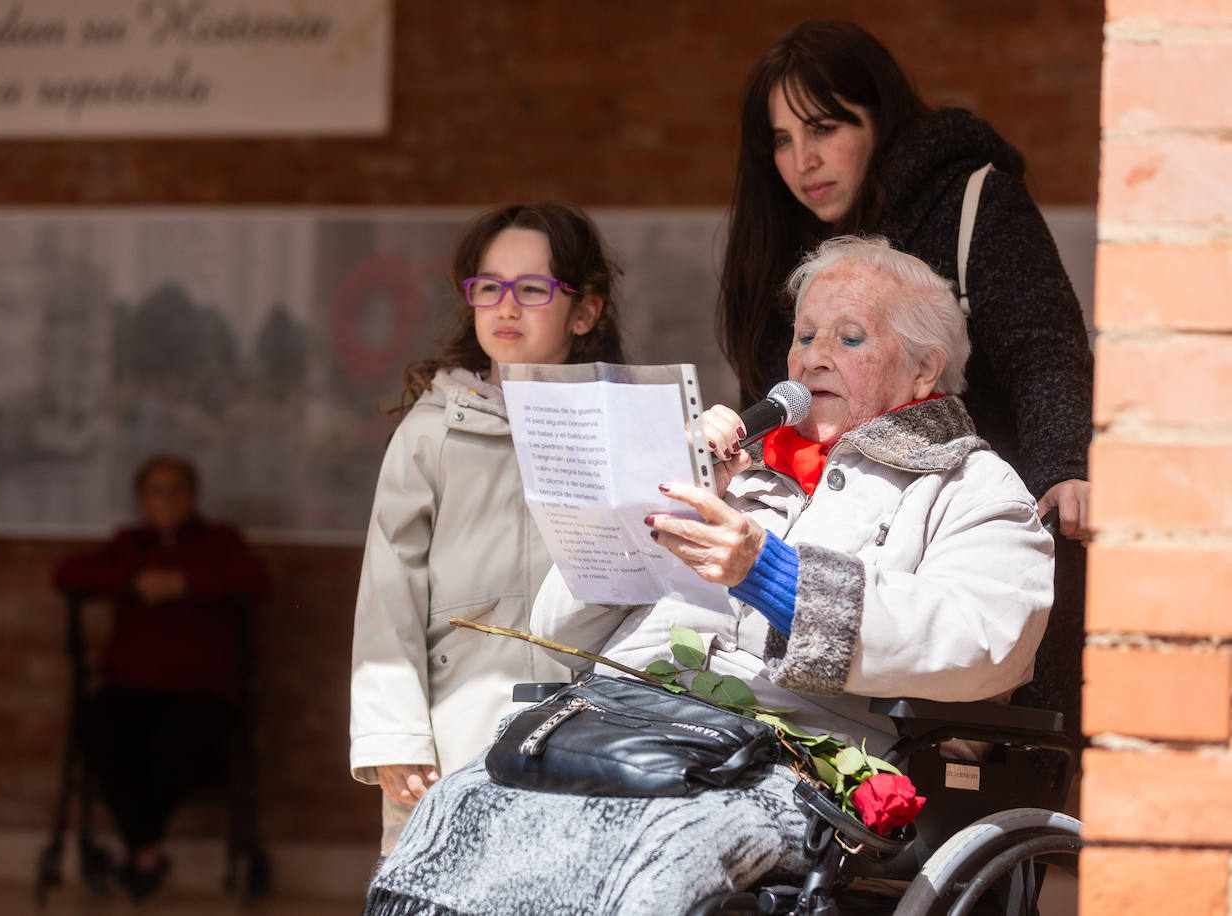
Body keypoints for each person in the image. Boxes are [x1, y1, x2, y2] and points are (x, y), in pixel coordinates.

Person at [362, 237, 1054, 915]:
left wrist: (773, 575)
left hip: (781, 762)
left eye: (848, 339)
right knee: (462, 806)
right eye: (804, 334)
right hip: (617, 724)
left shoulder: (971, 485)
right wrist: (655, 499)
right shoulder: (744, 470)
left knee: (651, 847)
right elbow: (556, 629)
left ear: (924, 369)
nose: (812, 356)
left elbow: (987, 640)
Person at [718, 20, 1092, 542]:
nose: (804, 160)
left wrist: (1062, 466)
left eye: (823, 128)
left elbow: (1043, 348)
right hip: (815, 536)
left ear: (878, 118)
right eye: (783, 140)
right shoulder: (775, 239)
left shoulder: (970, 201)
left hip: (975, 532)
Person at [348, 202, 627, 855]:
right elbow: (386, 599)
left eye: (532, 289)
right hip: (454, 742)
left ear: (585, 311)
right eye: (489, 287)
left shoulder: (625, 429)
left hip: (599, 746)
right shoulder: (432, 432)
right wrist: (394, 738)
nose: (506, 306)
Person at [53, 454, 270, 901]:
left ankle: (139, 853)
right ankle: (147, 850)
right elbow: (67, 573)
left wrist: (184, 583)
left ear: (191, 497)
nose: (166, 499)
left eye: (175, 490)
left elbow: (257, 578)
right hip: (129, 686)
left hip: (200, 689)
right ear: (141, 499)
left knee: (179, 740)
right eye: (156, 490)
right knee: (100, 731)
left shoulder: (219, 542)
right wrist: (135, 580)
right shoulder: (129, 544)